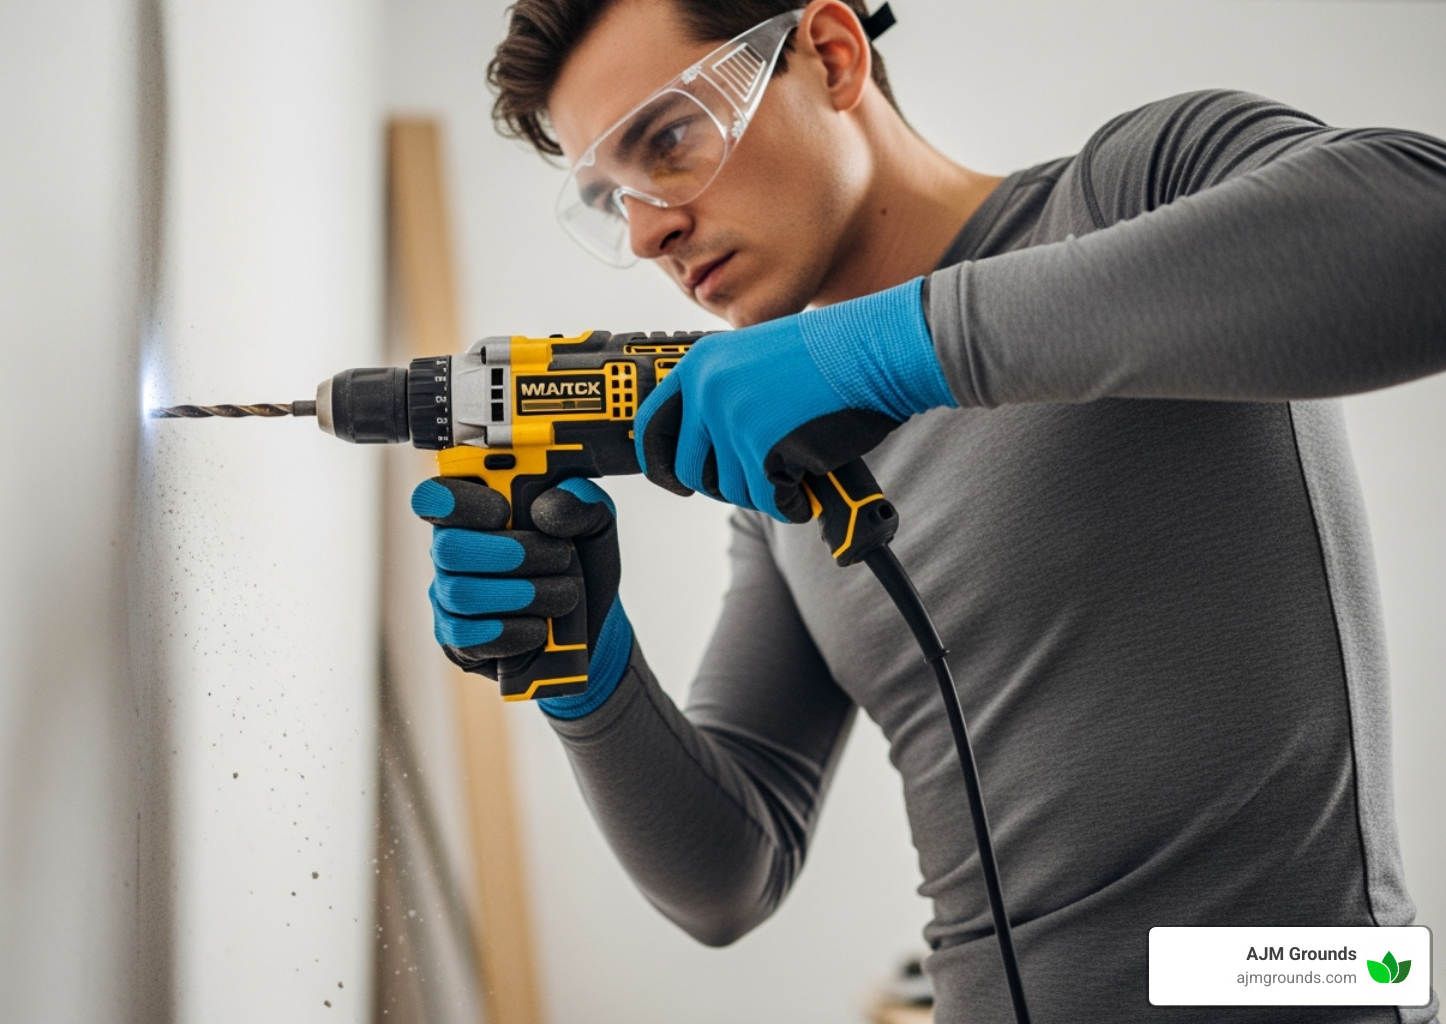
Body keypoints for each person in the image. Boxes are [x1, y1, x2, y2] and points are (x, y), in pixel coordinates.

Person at [411, 1, 1446, 1019]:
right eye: (608, 196)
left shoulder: (1134, 191)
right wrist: (590, 676)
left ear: (829, 53)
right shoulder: (789, 486)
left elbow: (1422, 227)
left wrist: (884, 349)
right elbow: (730, 877)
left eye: (670, 138)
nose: (647, 233)